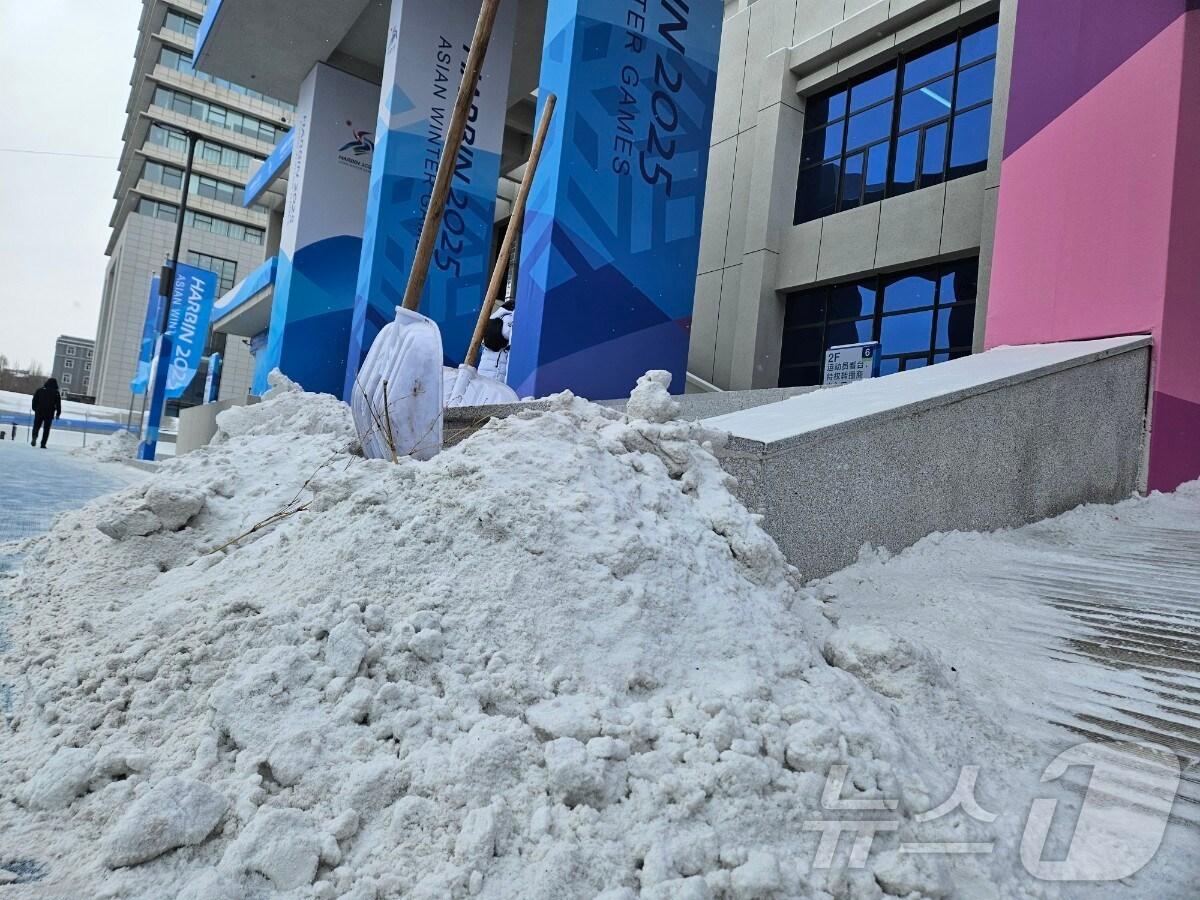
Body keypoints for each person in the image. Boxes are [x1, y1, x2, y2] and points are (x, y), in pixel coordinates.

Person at [478, 298, 514, 383]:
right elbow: (508, 334)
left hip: (486, 362)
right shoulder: (508, 318)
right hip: (496, 367)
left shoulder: (495, 316)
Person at [30, 378, 62, 449]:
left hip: (39, 411)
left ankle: (34, 437)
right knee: (46, 429)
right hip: (49, 413)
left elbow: (34, 400)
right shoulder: (56, 393)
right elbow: (58, 404)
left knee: (36, 426)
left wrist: (35, 408)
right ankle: (43, 444)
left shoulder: (40, 390)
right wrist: (58, 414)